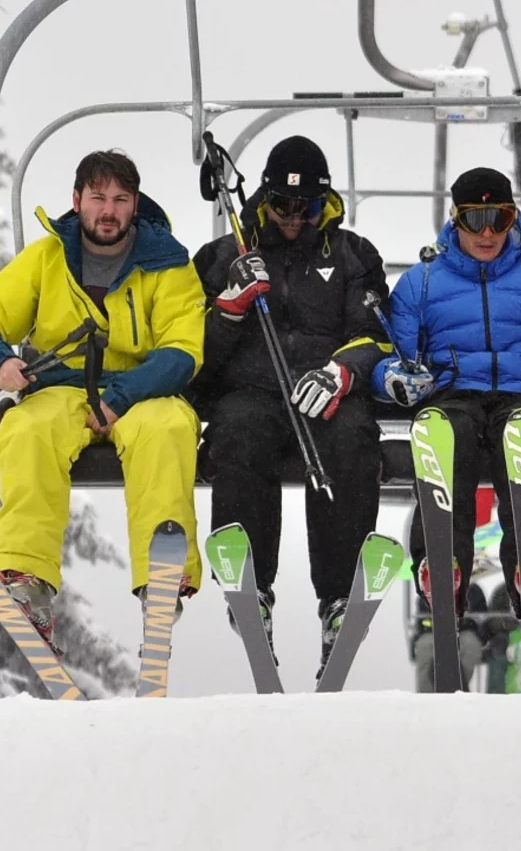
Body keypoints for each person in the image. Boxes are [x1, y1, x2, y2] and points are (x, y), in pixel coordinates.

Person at [0, 150, 207, 652]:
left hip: (141, 388)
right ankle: (26, 577)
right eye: (98, 198)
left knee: (168, 429)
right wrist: (0, 362)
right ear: (77, 201)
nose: (108, 210)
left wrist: (120, 397)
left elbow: (183, 351)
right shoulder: (48, 258)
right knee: (27, 430)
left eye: (119, 199)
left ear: (135, 205)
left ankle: (163, 576)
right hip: (63, 385)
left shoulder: (167, 262)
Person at [190, 136, 391, 668]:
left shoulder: (354, 255)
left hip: (324, 391)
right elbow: (195, 361)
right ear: (263, 198)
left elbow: (376, 334)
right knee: (236, 432)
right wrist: (229, 310)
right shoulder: (221, 256)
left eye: (307, 207)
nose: (294, 218)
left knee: (351, 438)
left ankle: (340, 597)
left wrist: (340, 371)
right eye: (282, 205)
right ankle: (250, 587)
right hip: (253, 391)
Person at [374, 167, 521, 621]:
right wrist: (396, 377)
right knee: (441, 431)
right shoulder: (421, 282)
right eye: (474, 219)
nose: (487, 233)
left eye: (499, 219)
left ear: (514, 218)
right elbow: (391, 355)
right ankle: (442, 562)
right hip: (452, 394)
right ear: (455, 220)